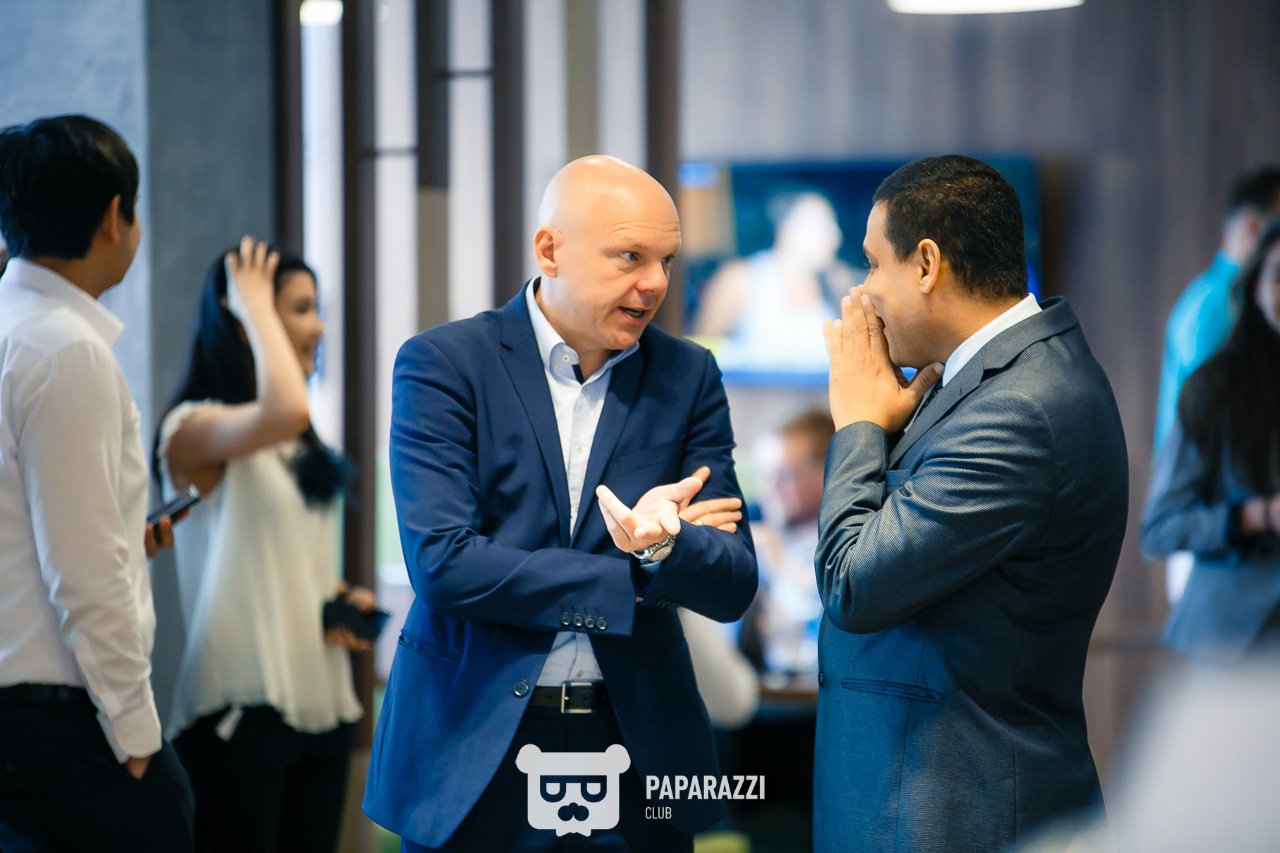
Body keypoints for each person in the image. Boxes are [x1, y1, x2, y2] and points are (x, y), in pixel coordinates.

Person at [364, 154, 758, 850]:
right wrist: (640, 569)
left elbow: (731, 582)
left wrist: (666, 545)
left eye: (666, 260)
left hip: (638, 747)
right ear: (550, 250)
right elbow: (445, 565)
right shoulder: (445, 364)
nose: (655, 282)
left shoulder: (687, 374)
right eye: (631, 256)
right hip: (470, 743)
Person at [814, 155, 1128, 851]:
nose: (862, 293)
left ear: (927, 264)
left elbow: (852, 583)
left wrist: (857, 424)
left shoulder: (1020, 405)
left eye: (872, 264)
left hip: (956, 813)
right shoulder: (1000, 380)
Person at [0, 114, 194, 851]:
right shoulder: (64, 350)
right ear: (116, 216)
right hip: (59, 721)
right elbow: (84, 575)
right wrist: (137, 735)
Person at [155, 240, 368, 852]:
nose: (319, 326)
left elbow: (281, 557)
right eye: (299, 309)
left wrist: (336, 597)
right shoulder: (193, 427)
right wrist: (249, 301)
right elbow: (285, 407)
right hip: (242, 711)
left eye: (316, 308)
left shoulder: (298, 443)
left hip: (322, 708)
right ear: (244, 321)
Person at [1142, 221, 1280, 664]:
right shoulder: (1217, 390)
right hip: (1231, 645)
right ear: (1255, 288)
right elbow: (1160, 528)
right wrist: (1260, 515)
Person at [694, 190, 858, 373]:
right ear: (785, 230)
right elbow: (700, 353)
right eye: (821, 226)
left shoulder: (836, 284)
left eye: (833, 227)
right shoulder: (742, 279)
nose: (835, 237)